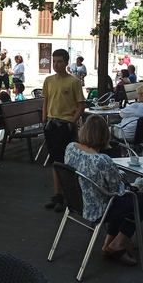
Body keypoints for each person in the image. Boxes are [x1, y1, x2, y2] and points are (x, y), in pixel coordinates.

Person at [65, 115, 143, 267]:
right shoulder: (102, 160)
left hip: (77, 203)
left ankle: (108, 244)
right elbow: (117, 190)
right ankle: (117, 244)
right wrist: (134, 187)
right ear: (105, 135)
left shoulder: (70, 148)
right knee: (142, 200)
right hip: (97, 209)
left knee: (121, 200)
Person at [43, 49, 86, 212]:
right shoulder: (48, 80)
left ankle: (70, 196)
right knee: (56, 161)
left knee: (67, 162)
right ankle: (58, 195)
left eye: (59, 61)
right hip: (51, 124)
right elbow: (46, 101)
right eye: (53, 61)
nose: (56, 64)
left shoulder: (73, 82)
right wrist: (44, 119)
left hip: (65, 124)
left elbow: (81, 104)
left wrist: (71, 122)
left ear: (66, 62)